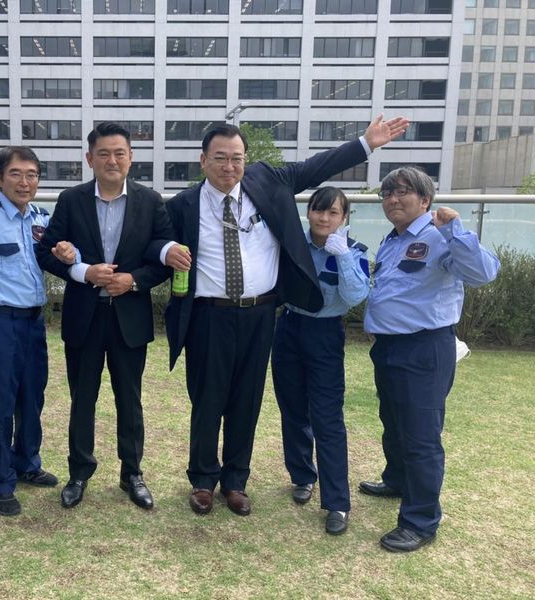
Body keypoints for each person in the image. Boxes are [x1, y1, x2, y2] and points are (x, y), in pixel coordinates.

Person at [153, 116, 409, 517]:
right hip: (207, 317)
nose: (229, 166)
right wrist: (165, 249)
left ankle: (235, 481)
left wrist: (365, 143)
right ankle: (203, 480)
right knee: (207, 400)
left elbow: (316, 167)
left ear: (245, 159)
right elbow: (153, 238)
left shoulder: (267, 181)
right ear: (203, 160)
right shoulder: (183, 204)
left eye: (237, 157)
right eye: (220, 158)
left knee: (247, 400)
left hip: (260, 314)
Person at [35, 122, 175, 510]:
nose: (112, 160)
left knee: (130, 400)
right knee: (83, 398)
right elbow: (46, 252)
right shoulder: (71, 200)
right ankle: (79, 472)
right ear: (89, 158)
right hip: (85, 316)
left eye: (119, 153)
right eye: (103, 154)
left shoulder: (150, 201)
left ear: (131, 158)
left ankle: (132, 473)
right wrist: (83, 272)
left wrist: (133, 281)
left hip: (129, 318)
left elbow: (163, 257)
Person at [360, 166, 499, 552]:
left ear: (425, 199)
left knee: (421, 435)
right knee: (393, 421)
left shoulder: (440, 236)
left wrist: (455, 230)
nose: (392, 199)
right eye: (387, 194)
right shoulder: (393, 240)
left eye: (402, 192)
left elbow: (484, 273)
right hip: (389, 347)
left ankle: (420, 521)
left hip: (423, 348)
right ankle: (397, 480)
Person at [0, 146, 76, 517]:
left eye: (32, 174)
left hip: (32, 322)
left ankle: (26, 462)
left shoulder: (42, 219)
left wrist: (70, 255)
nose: (25, 182)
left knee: (32, 396)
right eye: (15, 173)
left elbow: (62, 256)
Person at [270, 187, 370, 535]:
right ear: (308, 211)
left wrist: (342, 256)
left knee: (327, 418)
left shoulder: (354, 251)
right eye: (318, 210)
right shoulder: (292, 245)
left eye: (333, 212)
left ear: (344, 217)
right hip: (289, 327)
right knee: (292, 408)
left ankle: (337, 502)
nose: (324, 218)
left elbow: (355, 296)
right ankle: (302, 475)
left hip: (326, 333)